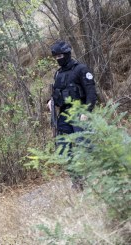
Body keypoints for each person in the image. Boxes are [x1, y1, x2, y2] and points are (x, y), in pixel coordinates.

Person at [47, 40, 97, 191]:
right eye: (55, 57)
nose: (58, 59)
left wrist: (86, 112)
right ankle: (77, 181)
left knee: (84, 145)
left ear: (68, 54)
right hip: (64, 115)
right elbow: (57, 93)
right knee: (63, 148)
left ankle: (95, 177)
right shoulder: (58, 74)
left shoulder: (81, 69)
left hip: (80, 112)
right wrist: (51, 102)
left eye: (60, 55)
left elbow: (91, 93)